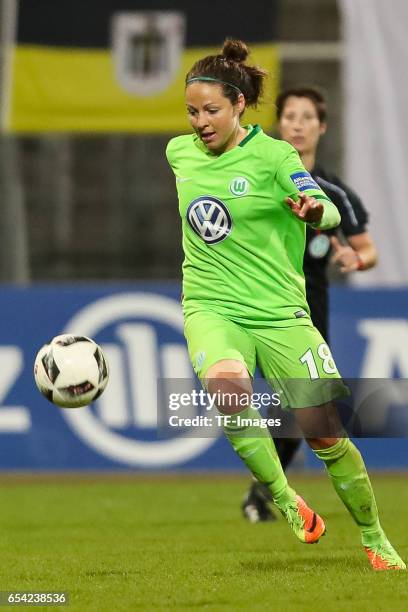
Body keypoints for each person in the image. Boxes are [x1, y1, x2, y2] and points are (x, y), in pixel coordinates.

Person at [166, 39, 405, 570]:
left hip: (279, 311)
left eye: (210, 110)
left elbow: (326, 212)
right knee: (228, 393)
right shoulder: (178, 153)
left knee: (324, 434)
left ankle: (373, 537)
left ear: (238, 107)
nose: (199, 121)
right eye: (191, 111)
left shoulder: (276, 156)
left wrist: (312, 209)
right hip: (211, 306)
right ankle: (285, 498)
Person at [242, 87, 379, 523]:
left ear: (321, 127)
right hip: (254, 300)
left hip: (306, 309)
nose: (297, 125)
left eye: (307, 118)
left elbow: (367, 249)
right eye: (290, 117)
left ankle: (263, 494)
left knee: (300, 409)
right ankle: (266, 493)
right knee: (286, 406)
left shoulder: (334, 192)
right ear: (279, 125)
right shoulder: (257, 176)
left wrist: (356, 259)